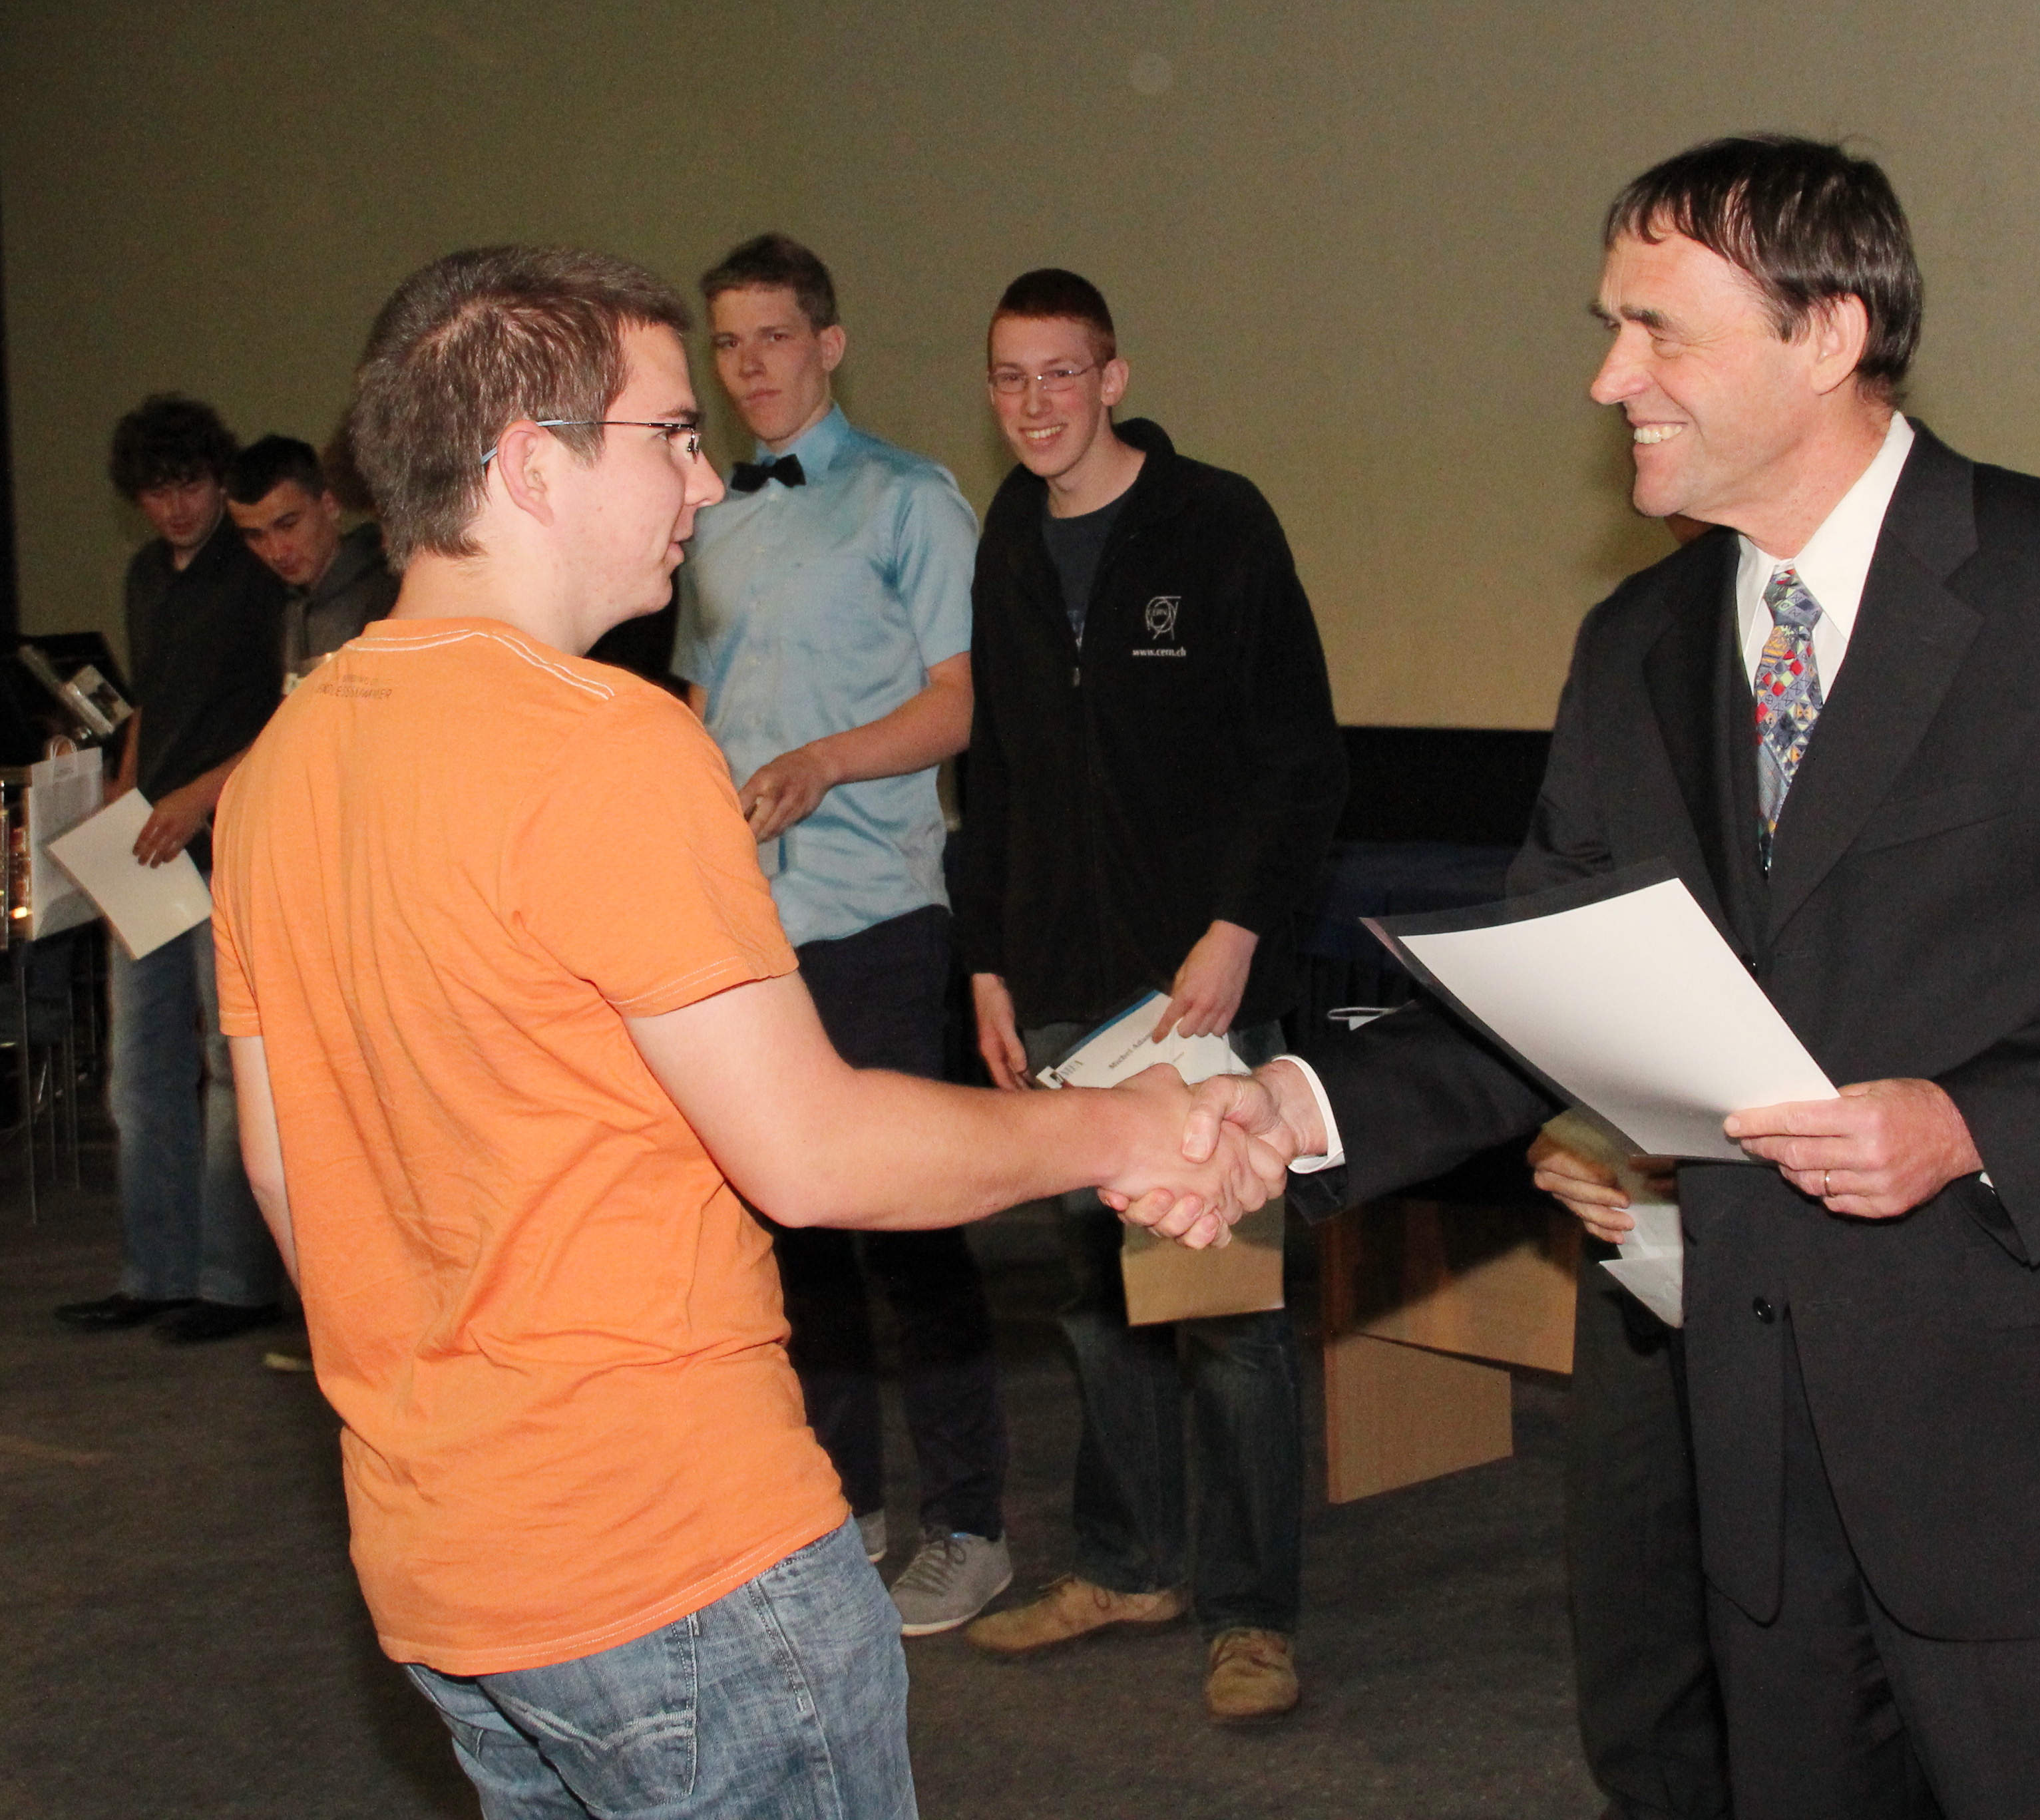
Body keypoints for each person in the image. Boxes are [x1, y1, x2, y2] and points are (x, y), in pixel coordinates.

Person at [1201, 136, 2040, 1818]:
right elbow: (1543, 996)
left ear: (1827, 334)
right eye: (1609, 328)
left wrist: (1967, 1121)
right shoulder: (1634, 645)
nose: (1608, 379)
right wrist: (1292, 1104)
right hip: (1756, 1459)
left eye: (1657, 330)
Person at [210, 243, 1278, 1820]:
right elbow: (814, 1150)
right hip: (678, 1563)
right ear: (531, 464)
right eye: (667, 433)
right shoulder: (609, 744)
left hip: (449, 1570)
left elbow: (289, 1178)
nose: (704, 480)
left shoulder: (284, 765)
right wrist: (1140, 1123)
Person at [954, 268, 1348, 1722]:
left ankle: (1251, 1615)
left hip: (1197, 989)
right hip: (1058, 984)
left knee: (1224, 1307)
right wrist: (985, 958)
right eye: (1010, 378)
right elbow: (995, 772)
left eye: (1061, 373)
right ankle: (1128, 1564)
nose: (1036, 403)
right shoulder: (1007, 539)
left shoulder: (1216, 523)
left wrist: (1238, 930)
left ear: (1113, 379)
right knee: (1092, 1295)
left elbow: (1299, 757)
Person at [670, 232, 1010, 1634]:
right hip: (750, 922)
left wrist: (826, 761)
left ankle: (971, 1524)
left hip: (875, 907)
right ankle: (839, 1503)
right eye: (728, 343)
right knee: (787, 1232)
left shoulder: (908, 498)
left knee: (906, 1229)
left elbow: (962, 702)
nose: (748, 366)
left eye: (773, 337)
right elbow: (701, 712)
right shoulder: (711, 515)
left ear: (829, 344)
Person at [55, 391, 288, 1348]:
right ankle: (155, 1272)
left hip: (228, 833)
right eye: (156, 493)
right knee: (139, 1069)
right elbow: (149, 696)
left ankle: (234, 1283)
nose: (176, 508)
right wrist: (124, 787)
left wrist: (194, 794)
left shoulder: (256, 571)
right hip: (152, 839)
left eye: (189, 485)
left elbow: (291, 711)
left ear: (217, 480)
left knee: (230, 1068)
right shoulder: (146, 574)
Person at [224, 431, 399, 687]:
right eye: (255, 536)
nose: (276, 552)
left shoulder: (389, 595)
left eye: (288, 525)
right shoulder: (277, 605)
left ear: (329, 504)